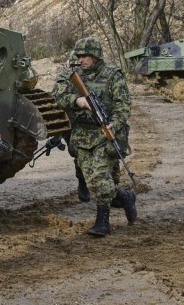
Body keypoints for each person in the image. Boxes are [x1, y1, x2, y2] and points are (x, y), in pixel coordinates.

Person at [52, 36, 138, 236]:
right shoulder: (71, 76)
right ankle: (125, 198)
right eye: (79, 56)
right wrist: (78, 101)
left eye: (85, 56)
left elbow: (123, 106)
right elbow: (57, 96)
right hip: (81, 135)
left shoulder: (112, 75)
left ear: (96, 57)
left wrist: (113, 125)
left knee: (101, 178)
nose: (81, 60)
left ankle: (102, 222)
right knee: (93, 182)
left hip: (104, 133)